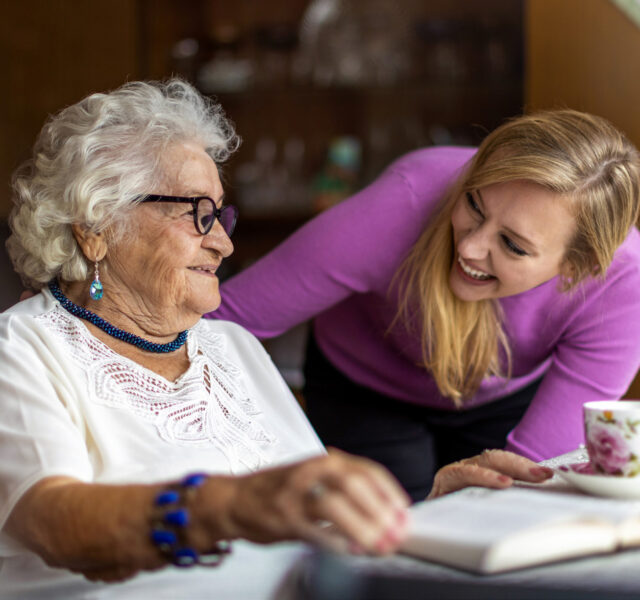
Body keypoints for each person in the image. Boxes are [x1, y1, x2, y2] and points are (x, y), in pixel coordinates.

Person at [0, 79, 551, 598]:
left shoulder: (230, 347)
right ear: (96, 228)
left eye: (221, 215)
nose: (223, 243)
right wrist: (227, 505)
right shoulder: (22, 350)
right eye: (198, 214)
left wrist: (424, 512)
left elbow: (314, 527)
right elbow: (53, 521)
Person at [213, 109, 640, 501]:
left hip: (506, 396)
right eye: (474, 203)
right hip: (365, 386)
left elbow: (529, 483)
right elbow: (220, 321)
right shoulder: (407, 199)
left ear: (578, 267)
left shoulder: (624, 287)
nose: (470, 247)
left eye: (512, 245)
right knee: (385, 541)